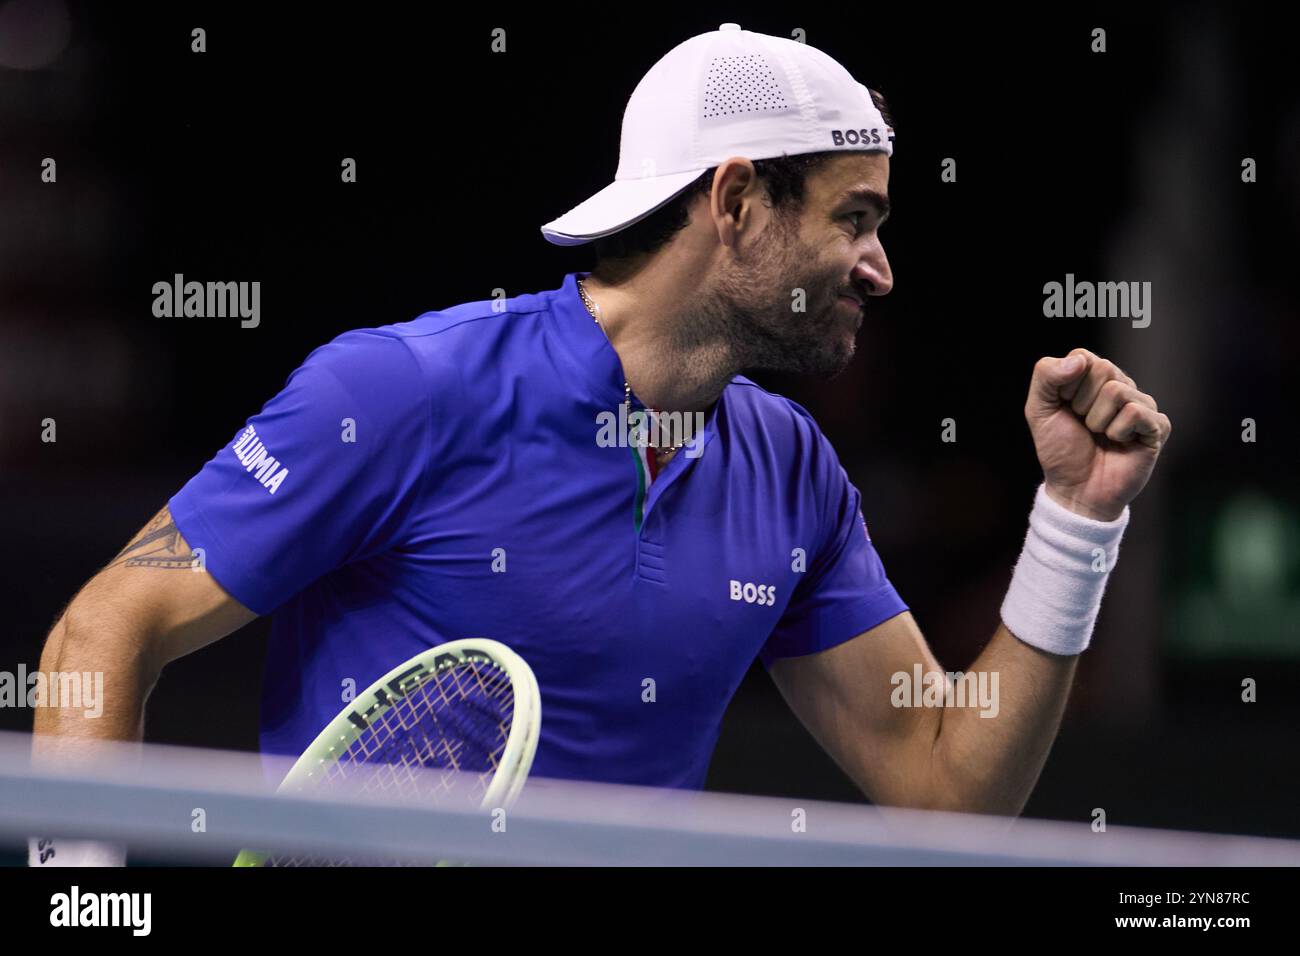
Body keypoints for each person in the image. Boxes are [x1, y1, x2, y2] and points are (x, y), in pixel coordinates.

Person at [29, 24, 1171, 866]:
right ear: (735, 203)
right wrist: (83, 900)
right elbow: (107, 621)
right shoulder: (403, 391)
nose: (880, 267)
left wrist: (1077, 519)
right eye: (854, 219)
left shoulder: (792, 475)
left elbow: (943, 784)